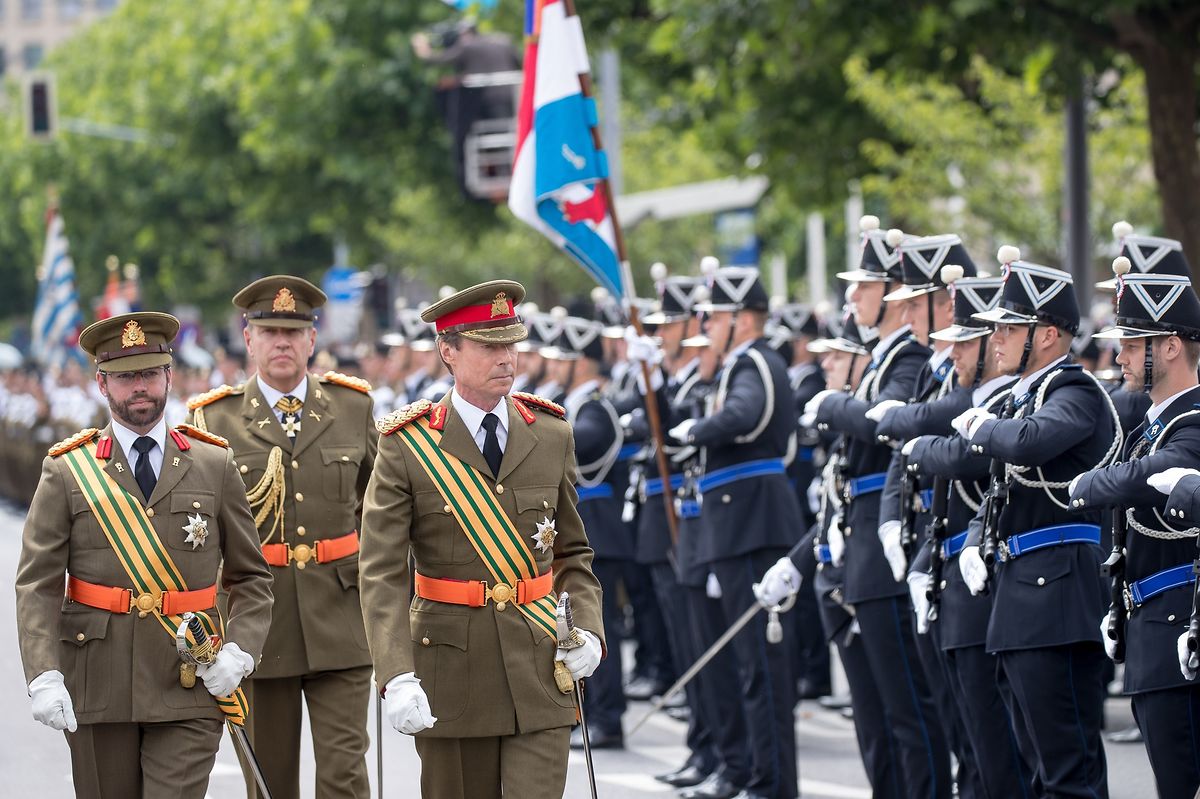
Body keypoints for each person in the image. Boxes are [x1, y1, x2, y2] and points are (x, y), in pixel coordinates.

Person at [358, 280, 605, 798]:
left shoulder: (551, 432)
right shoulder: (408, 445)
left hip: (541, 670)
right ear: (448, 351)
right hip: (452, 674)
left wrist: (590, 630)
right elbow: (380, 572)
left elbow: (572, 553)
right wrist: (396, 673)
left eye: (511, 344)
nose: (507, 358)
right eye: (490, 346)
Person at [15, 311, 273, 799]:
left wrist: (240, 651)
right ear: (101, 384)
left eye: (150, 373)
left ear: (169, 377)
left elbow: (251, 577)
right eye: (126, 376)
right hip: (98, 681)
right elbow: (37, 583)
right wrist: (44, 673)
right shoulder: (68, 470)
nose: (140, 387)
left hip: (188, 680)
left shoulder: (214, 463)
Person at [188, 276, 378, 799]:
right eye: (269, 331)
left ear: (312, 340)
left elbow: (384, 513)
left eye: (293, 332)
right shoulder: (213, 417)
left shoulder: (353, 407)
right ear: (248, 340)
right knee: (270, 779)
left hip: (341, 619)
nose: (281, 343)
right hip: (257, 625)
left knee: (345, 774)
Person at [955, 249, 1120, 797]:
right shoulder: (1023, 399)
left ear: (1047, 335)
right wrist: (977, 539)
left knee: (1068, 770)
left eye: (1009, 327)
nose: (994, 339)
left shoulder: (1075, 392)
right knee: (1038, 768)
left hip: (1057, 599)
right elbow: (1001, 494)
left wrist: (980, 424)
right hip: (1021, 601)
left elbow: (1029, 444)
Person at [1070, 258, 1200, 799]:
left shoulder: (1190, 424)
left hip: (1177, 628)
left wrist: (1089, 485)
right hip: (1150, 628)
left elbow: (1142, 478)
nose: (1119, 355)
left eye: (1132, 343)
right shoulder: (1153, 425)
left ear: (1170, 346)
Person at [671, 265, 800, 799]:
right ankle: (751, 772)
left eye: (717, 314)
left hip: (753, 522)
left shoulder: (756, 362)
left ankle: (771, 783)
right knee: (744, 665)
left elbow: (747, 415)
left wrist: (698, 429)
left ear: (743, 320)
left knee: (762, 671)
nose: (707, 322)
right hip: (736, 524)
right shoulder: (734, 364)